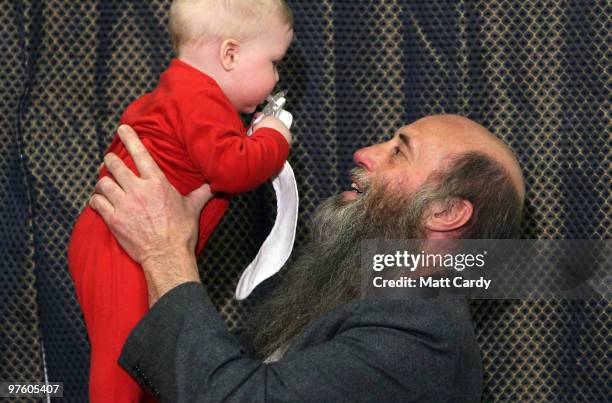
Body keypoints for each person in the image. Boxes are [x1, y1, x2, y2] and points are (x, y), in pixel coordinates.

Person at [89, 115, 525, 402]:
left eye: (398, 152)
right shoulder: (362, 297)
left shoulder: (423, 338)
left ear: (445, 212)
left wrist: (166, 252)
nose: (365, 154)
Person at [68, 1, 294, 401]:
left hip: (119, 240)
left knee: (153, 352)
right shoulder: (199, 98)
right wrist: (274, 138)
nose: (276, 79)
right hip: (117, 243)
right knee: (123, 356)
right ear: (230, 54)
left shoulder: (184, 92)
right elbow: (232, 168)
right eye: (274, 63)